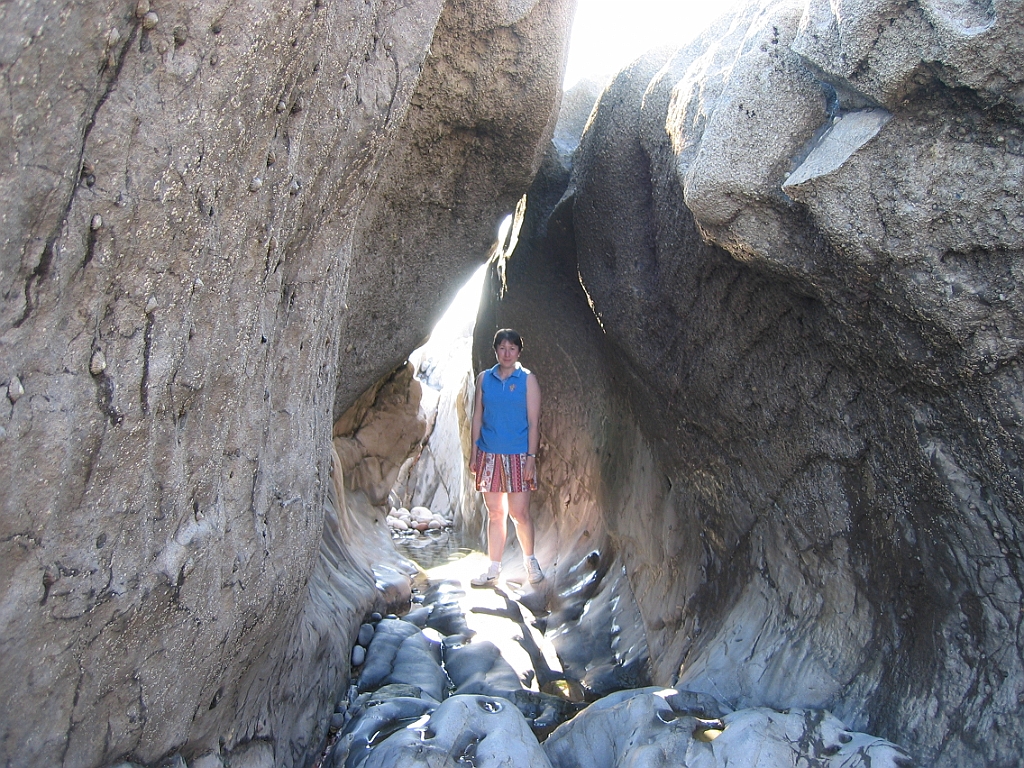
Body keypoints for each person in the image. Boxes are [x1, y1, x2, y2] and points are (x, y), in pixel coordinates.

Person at [469, 329, 544, 586]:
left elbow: (533, 423)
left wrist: (531, 458)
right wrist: (474, 452)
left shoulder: (528, 380)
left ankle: (530, 562)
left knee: (519, 513)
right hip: (489, 453)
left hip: (519, 454)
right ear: (496, 350)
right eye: (502, 348)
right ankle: (494, 568)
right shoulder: (484, 379)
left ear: (519, 352)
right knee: (495, 513)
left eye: (512, 348)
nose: (507, 353)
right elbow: (477, 417)